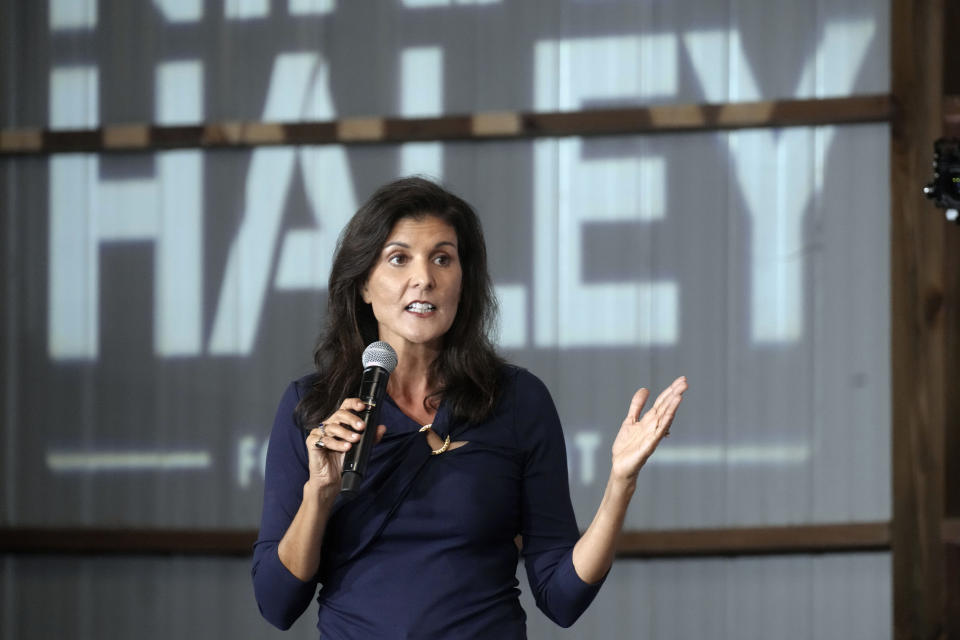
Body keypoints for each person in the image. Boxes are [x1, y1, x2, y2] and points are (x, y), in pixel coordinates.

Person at [252, 177, 688, 638]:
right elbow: (277, 604)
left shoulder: (518, 400)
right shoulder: (312, 408)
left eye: (443, 258)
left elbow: (562, 598)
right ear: (362, 283)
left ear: (463, 281)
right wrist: (319, 494)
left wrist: (620, 484)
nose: (424, 277)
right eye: (399, 259)